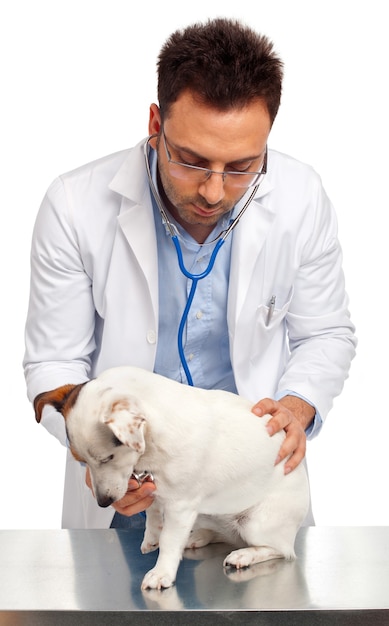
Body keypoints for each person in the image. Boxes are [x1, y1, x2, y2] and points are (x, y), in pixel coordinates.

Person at [23, 17, 356, 529]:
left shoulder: (301, 196)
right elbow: (54, 362)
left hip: (247, 481)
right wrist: (90, 448)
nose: (214, 192)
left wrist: (297, 404)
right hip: (133, 488)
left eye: (243, 166)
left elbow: (326, 333)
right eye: (193, 162)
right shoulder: (74, 205)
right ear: (155, 126)